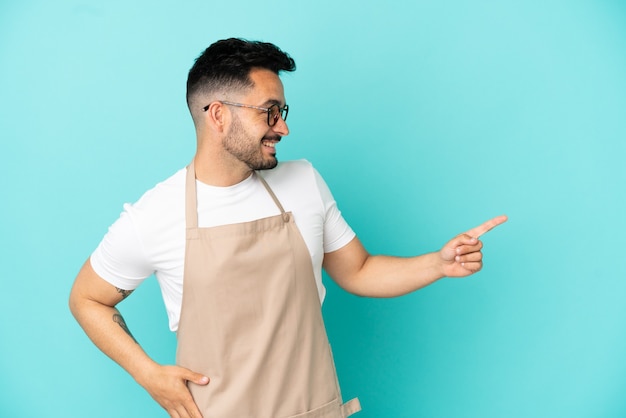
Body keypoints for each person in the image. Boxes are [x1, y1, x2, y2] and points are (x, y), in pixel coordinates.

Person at [69, 38, 507, 418]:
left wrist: (437, 263)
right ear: (218, 115)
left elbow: (358, 270)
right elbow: (86, 299)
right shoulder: (156, 214)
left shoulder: (303, 182)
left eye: (283, 111)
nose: (283, 127)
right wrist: (149, 375)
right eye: (270, 112)